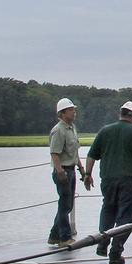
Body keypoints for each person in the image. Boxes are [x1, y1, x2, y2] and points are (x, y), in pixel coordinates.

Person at [85, 100, 132, 264]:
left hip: (107, 180)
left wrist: (87, 174)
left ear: (120, 114)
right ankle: (116, 252)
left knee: (108, 210)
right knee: (127, 217)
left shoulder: (104, 130)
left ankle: (102, 243)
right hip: (129, 180)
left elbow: (91, 155)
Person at [48, 97, 87, 246]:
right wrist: (60, 172)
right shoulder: (58, 130)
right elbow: (55, 153)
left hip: (71, 170)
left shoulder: (72, 128)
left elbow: (74, 153)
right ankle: (64, 238)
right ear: (63, 113)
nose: (74, 112)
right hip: (63, 171)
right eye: (71, 110)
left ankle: (54, 235)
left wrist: (82, 170)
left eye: (73, 109)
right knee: (64, 205)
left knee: (68, 205)